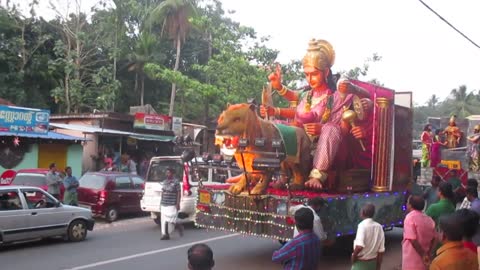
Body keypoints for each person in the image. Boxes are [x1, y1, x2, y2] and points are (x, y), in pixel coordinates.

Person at [261, 39, 373, 189]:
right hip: (303, 141)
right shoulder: (306, 96)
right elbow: (293, 97)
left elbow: (345, 129)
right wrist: (278, 91)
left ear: (326, 72)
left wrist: (321, 128)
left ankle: (317, 176)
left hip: (329, 144)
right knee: (279, 126)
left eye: (314, 74)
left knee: (330, 128)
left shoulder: (337, 97)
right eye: (306, 74)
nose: (310, 79)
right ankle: (282, 174)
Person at [402, 195, 436, 270]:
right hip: (425, 260)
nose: (406, 204)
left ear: (410, 205)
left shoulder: (409, 217)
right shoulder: (429, 219)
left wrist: (423, 254)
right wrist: (429, 253)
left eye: (407, 202)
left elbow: (412, 239)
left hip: (412, 258)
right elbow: (434, 238)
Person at [351, 204, 385, 270]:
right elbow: (381, 250)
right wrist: (378, 267)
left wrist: (353, 256)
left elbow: (359, 246)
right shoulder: (379, 227)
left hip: (361, 263)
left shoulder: (362, 226)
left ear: (363, 213)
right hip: (373, 263)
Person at [160, 168, 183, 240]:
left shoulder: (176, 182)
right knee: (164, 220)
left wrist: (178, 203)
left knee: (171, 219)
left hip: (172, 204)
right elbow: (163, 192)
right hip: (164, 203)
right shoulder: (164, 182)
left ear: (172, 174)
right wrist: (160, 203)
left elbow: (179, 193)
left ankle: (178, 225)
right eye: (166, 173)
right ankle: (165, 234)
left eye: (169, 173)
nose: (167, 174)